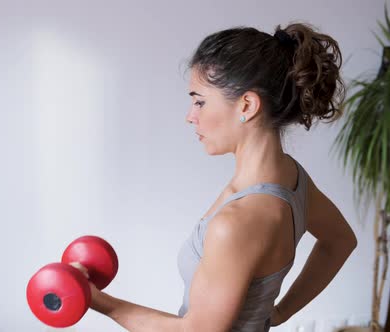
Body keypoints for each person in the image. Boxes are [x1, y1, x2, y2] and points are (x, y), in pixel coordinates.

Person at [71, 23, 358, 331]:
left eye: (200, 101)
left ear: (246, 105)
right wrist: (280, 312)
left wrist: (96, 300)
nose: (190, 115)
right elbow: (340, 241)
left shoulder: (236, 222)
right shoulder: (292, 179)